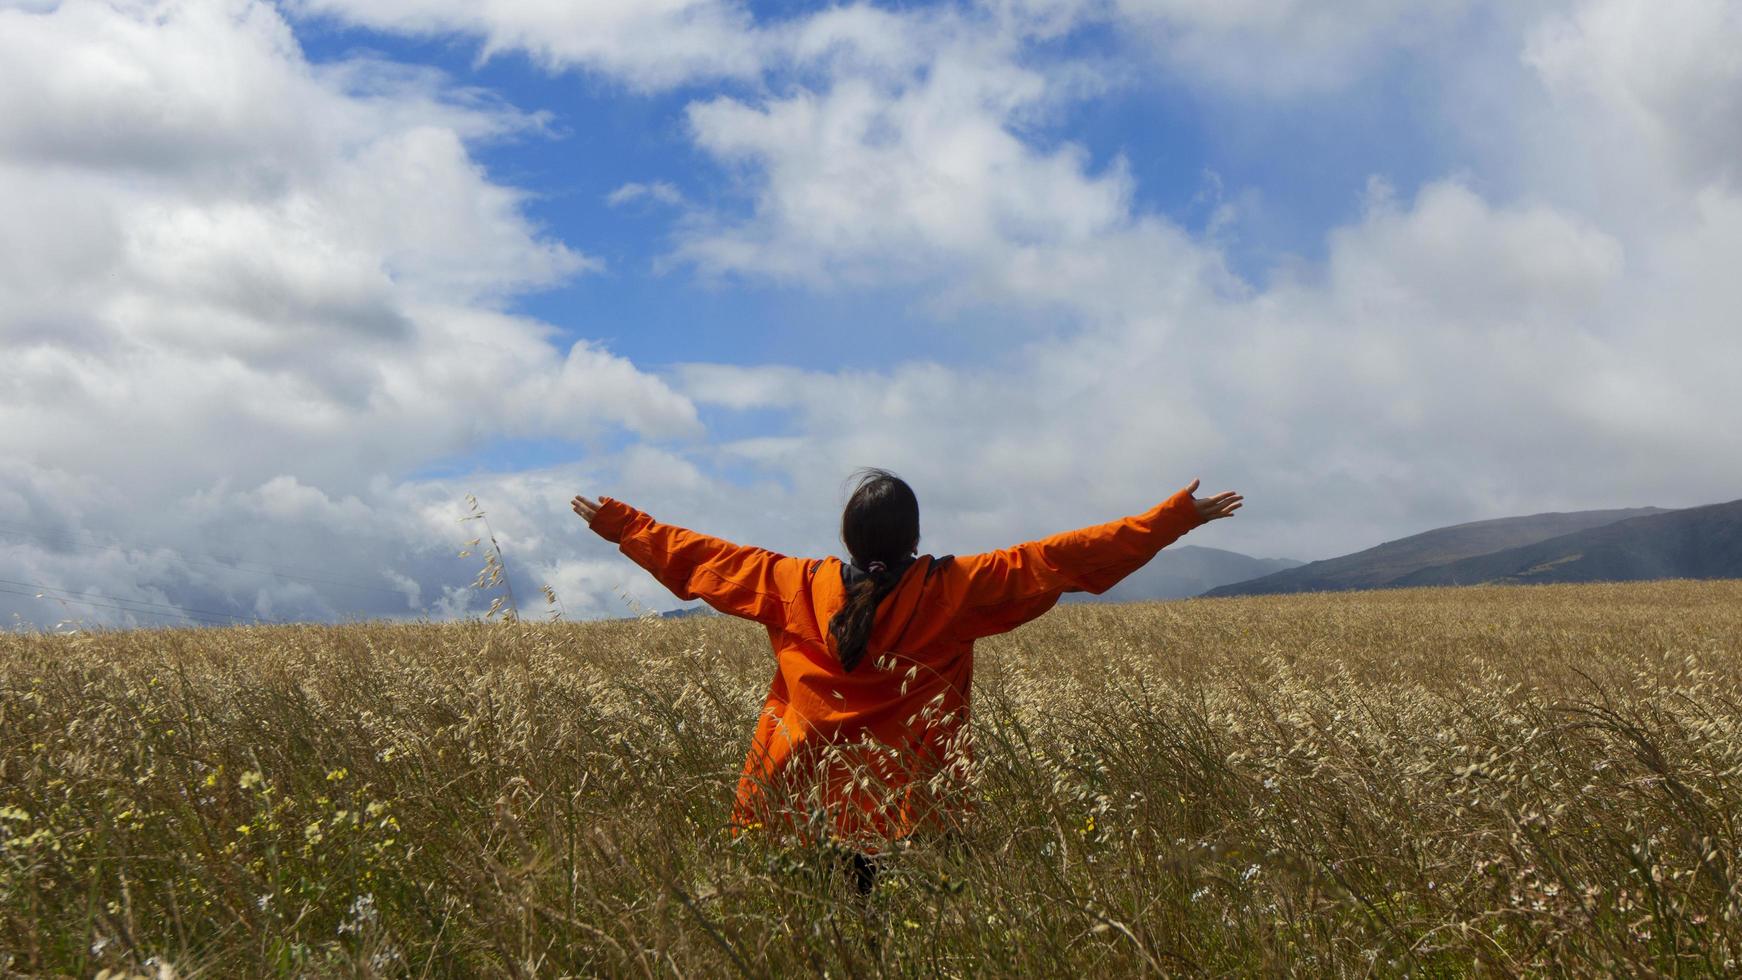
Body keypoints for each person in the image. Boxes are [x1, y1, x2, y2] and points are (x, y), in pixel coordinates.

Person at [571, 470, 1241, 883]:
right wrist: (1173, 519)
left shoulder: (793, 584)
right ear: (915, 536)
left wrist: (620, 523)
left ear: (847, 535)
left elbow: (701, 559)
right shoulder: (956, 589)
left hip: (799, 812)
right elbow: (1062, 559)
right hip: (917, 818)